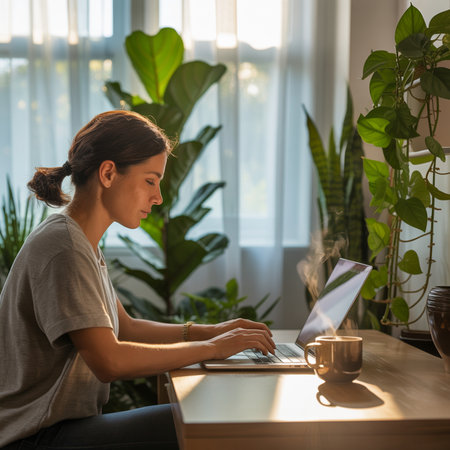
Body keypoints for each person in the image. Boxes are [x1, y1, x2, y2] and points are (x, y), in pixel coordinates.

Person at [0, 110, 276, 449]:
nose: (158, 197)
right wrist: (214, 349)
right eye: (150, 180)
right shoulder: (65, 247)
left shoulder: (78, 240)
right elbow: (109, 361)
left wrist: (212, 331)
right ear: (108, 173)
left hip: (57, 428)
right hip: (37, 436)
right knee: (197, 422)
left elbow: (125, 328)